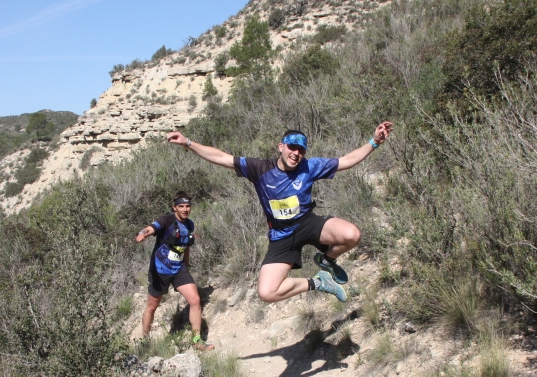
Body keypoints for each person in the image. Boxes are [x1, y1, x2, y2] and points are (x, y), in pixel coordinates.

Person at [166, 121, 393, 304]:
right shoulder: (259, 168)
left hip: (308, 223)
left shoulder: (309, 167)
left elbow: (346, 161)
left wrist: (374, 142)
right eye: (292, 147)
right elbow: (221, 157)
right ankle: (319, 282)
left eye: (301, 150)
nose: (296, 153)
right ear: (280, 147)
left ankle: (326, 260)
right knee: (267, 293)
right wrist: (188, 142)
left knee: (352, 235)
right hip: (281, 236)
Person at [135, 191, 213, 351]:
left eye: (187, 206)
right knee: (152, 306)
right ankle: (145, 339)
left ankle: (197, 341)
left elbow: (186, 246)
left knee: (195, 300)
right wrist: (143, 233)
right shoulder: (166, 220)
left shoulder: (189, 224)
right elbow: (151, 228)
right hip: (160, 270)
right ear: (174, 207)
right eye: (181, 206)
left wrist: (187, 265)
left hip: (179, 269)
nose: (185, 209)